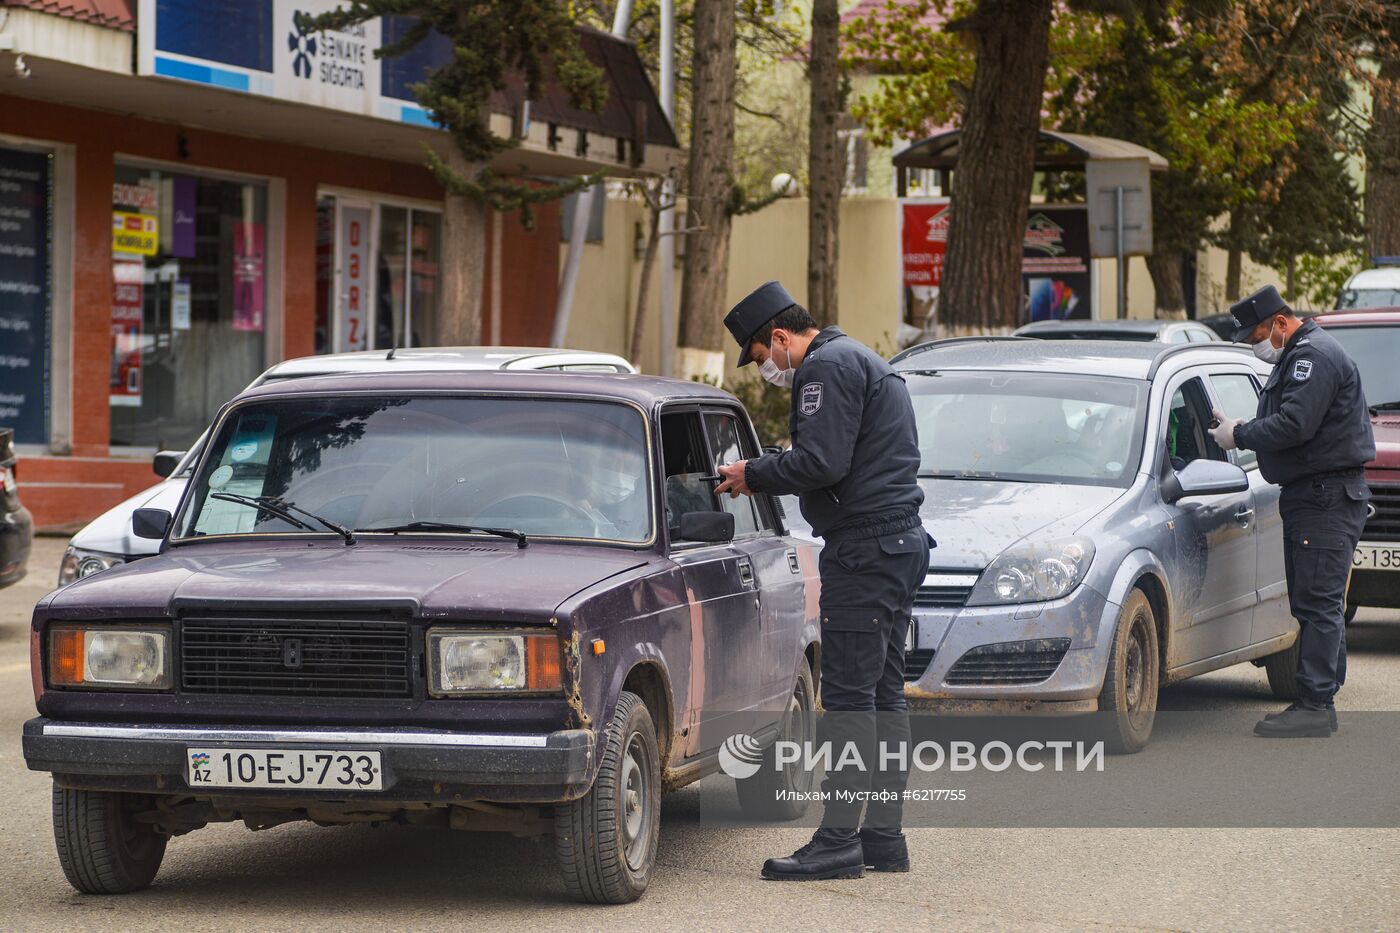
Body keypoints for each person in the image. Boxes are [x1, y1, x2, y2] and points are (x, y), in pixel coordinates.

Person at [714, 280, 931, 880]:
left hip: (864, 551)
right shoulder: (863, 358)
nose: (767, 371)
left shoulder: (823, 369)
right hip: (896, 543)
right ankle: (883, 838)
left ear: (779, 338)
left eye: (761, 358)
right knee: (884, 695)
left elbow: (821, 463)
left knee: (850, 698)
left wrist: (750, 473)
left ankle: (838, 841)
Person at [1209, 284, 1374, 738]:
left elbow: (1296, 424)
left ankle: (1315, 704)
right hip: (1316, 494)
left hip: (1324, 497)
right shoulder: (1304, 353)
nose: (1254, 345)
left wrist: (1240, 435)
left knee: (1317, 602)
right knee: (1313, 599)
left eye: (1256, 335)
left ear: (1280, 323)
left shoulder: (1311, 357)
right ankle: (1320, 697)